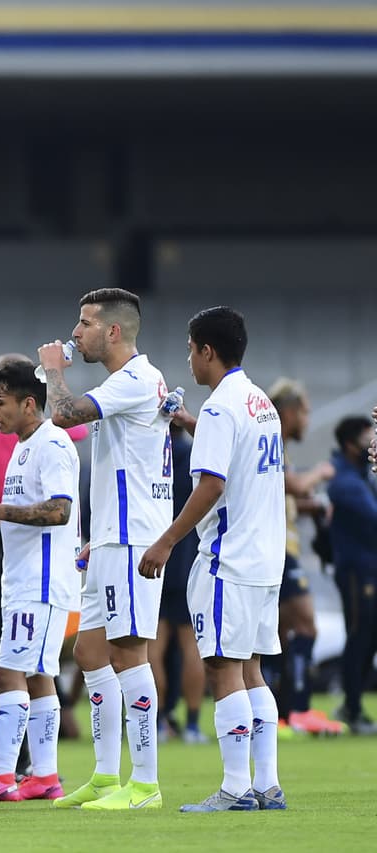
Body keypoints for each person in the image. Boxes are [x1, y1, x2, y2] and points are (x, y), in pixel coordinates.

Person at [139, 306, 287, 811]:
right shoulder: (259, 402)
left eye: (190, 350)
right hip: (265, 559)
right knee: (252, 669)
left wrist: (166, 541)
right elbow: (239, 452)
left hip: (229, 559)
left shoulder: (222, 407)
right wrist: (190, 421)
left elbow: (212, 485)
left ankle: (235, 788)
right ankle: (267, 785)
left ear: (207, 350)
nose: (188, 359)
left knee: (224, 669)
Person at [38, 287, 172, 811]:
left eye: (86, 322)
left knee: (128, 653)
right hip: (113, 537)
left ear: (113, 331)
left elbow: (63, 414)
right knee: (90, 652)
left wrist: (53, 371)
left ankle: (145, 784)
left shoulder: (135, 379)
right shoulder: (132, 382)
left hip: (134, 537)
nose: (75, 332)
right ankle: (104, 776)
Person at [0, 359, 80, 804]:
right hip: (25, 579)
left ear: (27, 404)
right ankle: (44, 776)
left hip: (40, 583)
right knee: (39, 678)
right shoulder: (24, 446)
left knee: (6, 672)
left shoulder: (52, 443)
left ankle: (2, 773)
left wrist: (0, 510)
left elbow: (60, 510)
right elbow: (31, 510)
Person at [265, 379, 341, 735]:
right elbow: (291, 486)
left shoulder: (277, 444)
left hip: (278, 547)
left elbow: (287, 494)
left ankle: (279, 715)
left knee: (278, 633)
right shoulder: (272, 441)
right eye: (305, 412)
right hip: (280, 549)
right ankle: (297, 710)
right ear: (290, 412)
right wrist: (321, 473)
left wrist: (313, 506)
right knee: (306, 625)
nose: (308, 420)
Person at [148, 424, 207, 744]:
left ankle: (158, 723)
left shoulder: (153, 452)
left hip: (153, 556)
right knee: (190, 645)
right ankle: (193, 725)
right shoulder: (194, 454)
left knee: (153, 647)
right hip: (186, 557)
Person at [325, 415, 377, 735]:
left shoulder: (360, 476)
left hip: (369, 568)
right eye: (367, 439)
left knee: (368, 637)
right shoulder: (344, 480)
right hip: (357, 571)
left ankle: (353, 704)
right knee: (359, 636)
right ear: (350, 443)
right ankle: (352, 707)